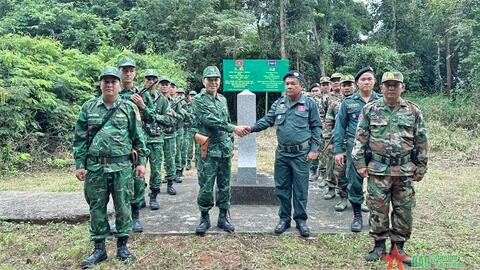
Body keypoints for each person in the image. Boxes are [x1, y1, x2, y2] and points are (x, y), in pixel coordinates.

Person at [73, 67, 149, 267]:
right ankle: (99, 249)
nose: (109, 85)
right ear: (100, 84)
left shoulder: (128, 108)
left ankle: (122, 246)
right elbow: (80, 139)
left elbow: (138, 139)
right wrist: (80, 164)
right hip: (96, 168)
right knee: (96, 208)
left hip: (122, 168)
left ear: (119, 85)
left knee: (123, 207)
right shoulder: (88, 108)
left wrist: (141, 162)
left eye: (113, 81)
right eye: (105, 81)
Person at [352, 71, 428, 265]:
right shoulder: (370, 110)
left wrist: (421, 166)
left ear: (402, 87)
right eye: (388, 85)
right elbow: (360, 139)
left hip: (404, 171)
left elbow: (421, 140)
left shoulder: (413, 111)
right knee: (378, 210)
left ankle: (398, 248)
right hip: (378, 169)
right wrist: (360, 164)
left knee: (404, 211)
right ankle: (379, 246)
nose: (392, 88)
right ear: (382, 88)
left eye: (396, 85)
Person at [246, 70, 322, 237]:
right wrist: (250, 128)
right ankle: (284, 219)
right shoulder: (279, 103)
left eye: (293, 83)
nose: (289, 86)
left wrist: (314, 149)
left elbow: (317, 127)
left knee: (301, 189)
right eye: (287, 84)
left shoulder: (309, 104)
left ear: (301, 86)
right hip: (282, 154)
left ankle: (301, 220)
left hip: (301, 154)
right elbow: (268, 120)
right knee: (282, 187)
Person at [191, 66, 248, 235]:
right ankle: (204, 217)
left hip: (223, 149)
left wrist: (230, 143)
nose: (213, 82)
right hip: (208, 149)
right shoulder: (199, 100)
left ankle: (223, 217)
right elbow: (210, 120)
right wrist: (233, 128)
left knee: (224, 185)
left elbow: (226, 118)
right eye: (210, 79)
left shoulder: (222, 99)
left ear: (219, 82)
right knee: (206, 186)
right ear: (204, 81)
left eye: (216, 79)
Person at [334, 67, 381, 232]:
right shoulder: (348, 103)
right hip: (355, 150)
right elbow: (339, 127)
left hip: (378, 151)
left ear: (374, 81)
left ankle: (374, 218)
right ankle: (357, 216)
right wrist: (338, 150)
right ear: (357, 83)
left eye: (369, 79)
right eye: (363, 79)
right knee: (354, 183)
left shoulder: (382, 101)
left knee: (378, 185)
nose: (366, 82)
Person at [117, 56, 155, 232]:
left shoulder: (143, 94)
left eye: (131, 70)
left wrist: (143, 106)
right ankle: (120, 218)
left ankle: (135, 216)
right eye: (125, 70)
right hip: (118, 145)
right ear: (120, 72)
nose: (128, 73)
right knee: (118, 184)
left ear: (135, 73)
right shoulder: (113, 94)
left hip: (138, 144)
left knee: (138, 181)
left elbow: (153, 119)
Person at [142, 69, 175, 210]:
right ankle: (138, 198)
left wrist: (155, 117)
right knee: (138, 171)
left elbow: (168, 119)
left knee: (156, 171)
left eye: (153, 79)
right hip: (141, 141)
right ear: (144, 80)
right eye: (148, 79)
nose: (150, 81)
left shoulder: (162, 100)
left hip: (156, 140)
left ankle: (154, 196)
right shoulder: (139, 96)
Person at [323, 74, 356, 212]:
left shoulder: (361, 102)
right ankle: (343, 197)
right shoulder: (334, 104)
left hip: (356, 143)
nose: (347, 88)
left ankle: (357, 198)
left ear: (355, 86)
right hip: (339, 142)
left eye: (349, 85)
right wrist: (328, 141)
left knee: (357, 172)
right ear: (340, 87)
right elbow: (329, 122)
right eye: (344, 85)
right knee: (339, 171)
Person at [158, 76, 178, 195]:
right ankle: (155, 185)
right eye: (162, 84)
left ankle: (170, 184)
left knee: (170, 160)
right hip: (156, 135)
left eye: (166, 84)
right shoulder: (154, 100)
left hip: (170, 135)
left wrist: (174, 115)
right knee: (156, 162)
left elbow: (183, 117)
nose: (164, 86)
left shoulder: (175, 102)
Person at [184, 90, 197, 170]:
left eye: (194, 95)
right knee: (189, 147)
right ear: (188, 97)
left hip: (197, 129)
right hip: (189, 129)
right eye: (191, 96)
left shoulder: (199, 106)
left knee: (198, 147)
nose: (192, 97)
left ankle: (197, 162)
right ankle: (188, 163)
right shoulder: (186, 106)